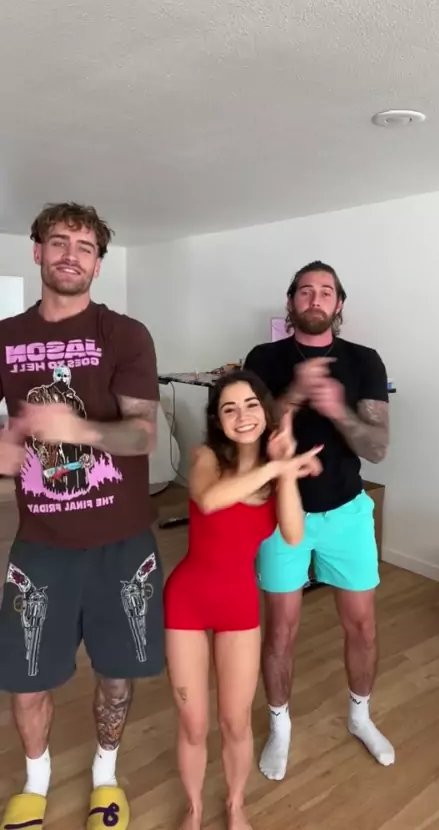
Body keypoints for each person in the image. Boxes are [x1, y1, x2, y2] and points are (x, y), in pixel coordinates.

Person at [0, 203, 164, 830]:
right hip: (40, 541)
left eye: (85, 246)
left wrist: (76, 429)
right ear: (37, 251)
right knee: (25, 677)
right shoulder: (6, 337)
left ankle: (105, 775)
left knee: (117, 674)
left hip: (122, 542)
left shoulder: (125, 334)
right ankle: (35, 782)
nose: (71, 254)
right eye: (59, 241)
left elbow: (142, 435)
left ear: (98, 263)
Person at [244, 260, 393, 782]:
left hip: (347, 512)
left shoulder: (364, 360)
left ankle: (360, 716)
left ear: (339, 304)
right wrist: (293, 395)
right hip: (280, 512)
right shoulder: (264, 358)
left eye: (326, 291)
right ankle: (279, 725)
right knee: (280, 631)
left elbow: (377, 447)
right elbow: (247, 432)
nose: (315, 299)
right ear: (291, 302)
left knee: (363, 626)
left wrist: (336, 409)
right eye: (305, 291)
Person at [163, 369, 323, 830]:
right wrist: (276, 468)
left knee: (235, 722)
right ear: (218, 419)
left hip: (238, 604)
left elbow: (293, 534)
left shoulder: (277, 474)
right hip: (187, 602)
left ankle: (235, 804)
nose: (242, 415)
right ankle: (193, 809)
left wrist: (284, 470)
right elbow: (210, 500)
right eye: (229, 408)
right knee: (194, 724)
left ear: (265, 410)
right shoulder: (206, 457)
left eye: (251, 404)